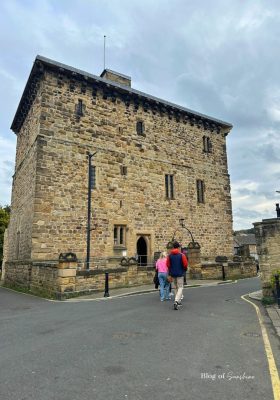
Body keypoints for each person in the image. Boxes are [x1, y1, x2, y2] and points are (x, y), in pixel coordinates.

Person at [167, 241, 188, 310]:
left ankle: (178, 301)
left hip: (172, 273)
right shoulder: (182, 255)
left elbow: (168, 265)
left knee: (175, 287)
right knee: (180, 287)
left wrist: (169, 272)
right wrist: (184, 269)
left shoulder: (169, 256)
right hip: (180, 273)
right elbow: (185, 264)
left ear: (173, 247)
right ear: (178, 247)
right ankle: (176, 301)